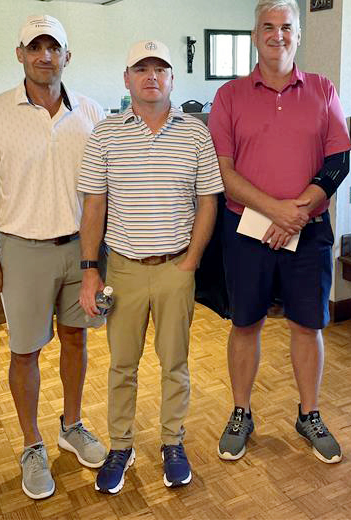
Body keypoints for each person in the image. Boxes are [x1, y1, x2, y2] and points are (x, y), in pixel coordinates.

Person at [0, 15, 107, 500]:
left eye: (55, 48)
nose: (45, 56)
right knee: (24, 351)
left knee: (76, 340)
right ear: (21, 54)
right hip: (22, 250)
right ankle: (31, 444)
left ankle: (72, 425)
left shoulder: (90, 111)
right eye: (35, 47)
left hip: (79, 251)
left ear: (68, 56)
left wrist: (97, 258)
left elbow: (101, 192)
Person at [208, 0, 351, 464]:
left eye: (286, 27)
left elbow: (338, 161)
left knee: (307, 325)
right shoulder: (229, 96)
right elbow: (223, 172)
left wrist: (299, 212)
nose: (278, 35)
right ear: (255, 35)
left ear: (298, 34)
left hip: (307, 233)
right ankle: (241, 412)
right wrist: (276, 212)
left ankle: (309, 413)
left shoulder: (323, 89)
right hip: (245, 228)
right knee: (245, 323)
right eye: (268, 27)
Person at [78, 40, 222, 494]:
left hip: (175, 268)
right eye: (141, 69)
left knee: (174, 362)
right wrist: (90, 269)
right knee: (122, 364)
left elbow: (208, 201)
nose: (151, 76)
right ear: (127, 79)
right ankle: (121, 446)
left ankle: (172, 442)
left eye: (160, 69)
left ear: (172, 80)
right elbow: (94, 205)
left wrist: (192, 260)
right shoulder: (105, 134)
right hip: (123, 269)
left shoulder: (195, 134)